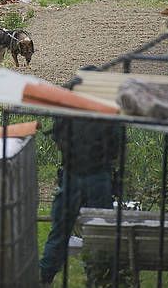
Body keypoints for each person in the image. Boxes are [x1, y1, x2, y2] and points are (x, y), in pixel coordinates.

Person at [39, 115, 122, 286]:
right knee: (100, 232)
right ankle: (98, 277)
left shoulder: (69, 105)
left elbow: (57, 136)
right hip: (99, 175)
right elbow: (116, 146)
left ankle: (43, 277)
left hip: (72, 172)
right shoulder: (105, 109)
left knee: (60, 232)